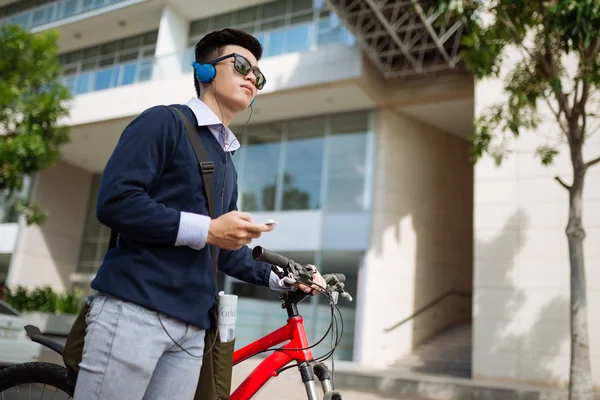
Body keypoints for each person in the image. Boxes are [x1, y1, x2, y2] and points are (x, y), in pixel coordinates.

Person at [73, 28, 326, 400]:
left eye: (258, 74)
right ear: (206, 71)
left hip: (192, 332)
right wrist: (207, 229)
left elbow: (225, 250)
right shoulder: (163, 122)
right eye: (241, 65)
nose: (252, 77)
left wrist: (284, 278)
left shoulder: (227, 162)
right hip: (135, 312)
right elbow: (115, 201)